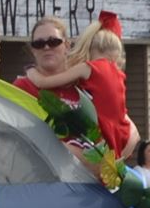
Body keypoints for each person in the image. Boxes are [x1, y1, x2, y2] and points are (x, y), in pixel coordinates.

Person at [18, 15, 136, 158]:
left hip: (92, 176)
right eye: (39, 44)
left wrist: (111, 162)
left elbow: (132, 131)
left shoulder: (84, 83)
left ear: (67, 45)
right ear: (33, 50)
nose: (46, 47)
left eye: (53, 41)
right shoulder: (23, 86)